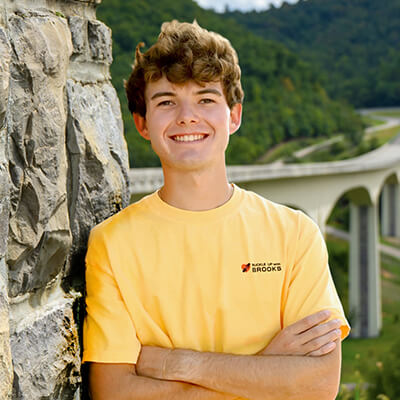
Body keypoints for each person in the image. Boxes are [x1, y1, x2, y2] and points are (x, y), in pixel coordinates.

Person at [83, 20, 350, 399]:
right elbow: (114, 392)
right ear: (142, 124)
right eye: (166, 102)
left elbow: (318, 384)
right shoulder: (112, 244)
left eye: (206, 98)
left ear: (234, 116)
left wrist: (173, 364)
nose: (187, 116)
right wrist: (265, 369)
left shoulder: (295, 234)